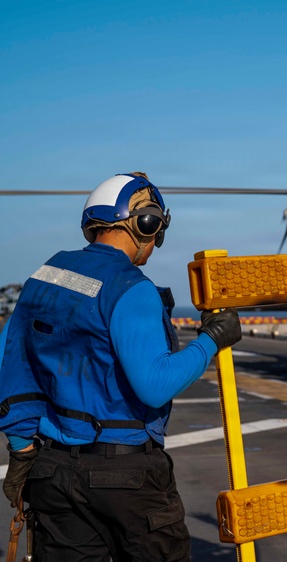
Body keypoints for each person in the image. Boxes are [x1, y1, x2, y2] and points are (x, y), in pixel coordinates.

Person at [0, 172, 243, 561]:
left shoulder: (44, 277)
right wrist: (211, 340)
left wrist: (22, 451)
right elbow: (155, 385)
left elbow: (9, 366)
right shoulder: (130, 287)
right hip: (126, 477)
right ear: (145, 222)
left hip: (52, 470)